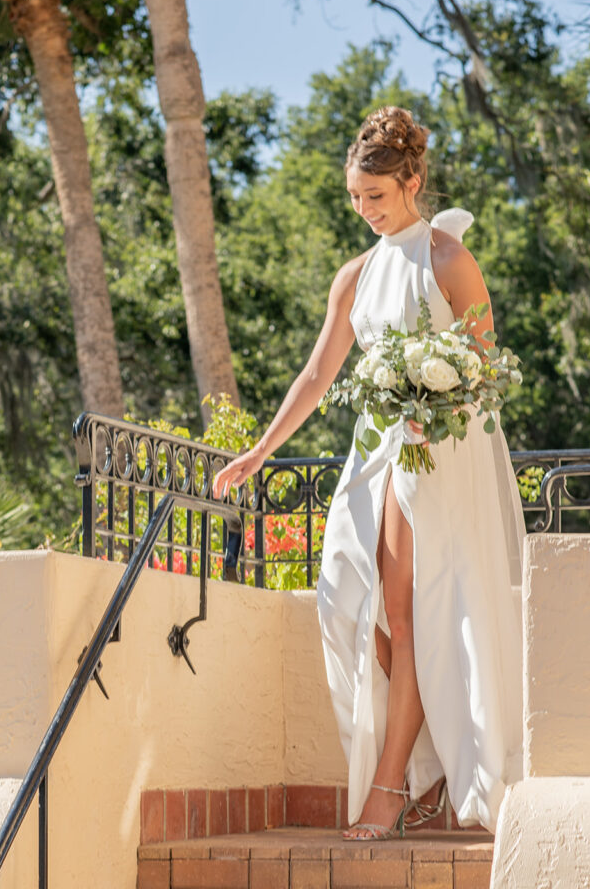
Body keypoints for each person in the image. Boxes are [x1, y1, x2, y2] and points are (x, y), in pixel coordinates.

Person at [213, 106, 524, 841]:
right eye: (355, 198)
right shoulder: (354, 274)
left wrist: (431, 394)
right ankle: (428, 758)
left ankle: (389, 787)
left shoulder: (448, 259)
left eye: (375, 198)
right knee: (354, 604)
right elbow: (319, 372)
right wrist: (261, 449)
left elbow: (485, 369)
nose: (364, 211)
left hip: (439, 453)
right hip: (374, 449)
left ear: (412, 181)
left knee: (412, 611)